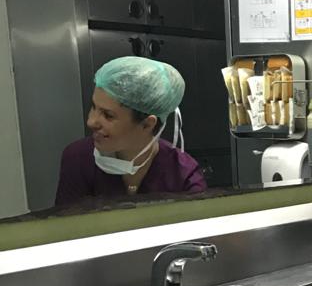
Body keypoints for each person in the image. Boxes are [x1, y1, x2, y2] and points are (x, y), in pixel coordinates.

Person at [55, 56, 206, 206]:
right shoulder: (78, 158)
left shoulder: (183, 175)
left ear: (147, 124)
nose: (91, 121)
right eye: (93, 107)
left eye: (108, 115)